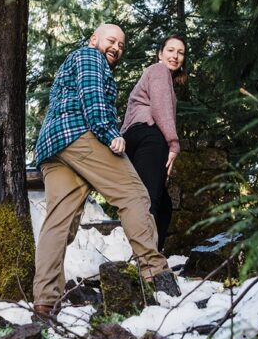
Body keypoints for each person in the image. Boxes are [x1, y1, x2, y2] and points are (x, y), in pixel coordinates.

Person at [32, 23, 181, 319]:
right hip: (81, 135)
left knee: (59, 223)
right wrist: (108, 132)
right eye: (111, 40)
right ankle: (156, 274)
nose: (116, 47)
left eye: (121, 45)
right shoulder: (90, 57)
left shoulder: (74, 61)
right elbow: (92, 97)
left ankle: (45, 302)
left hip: (53, 147)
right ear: (94, 39)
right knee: (134, 194)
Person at [122, 35, 186, 252]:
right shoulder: (159, 71)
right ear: (160, 54)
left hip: (138, 136)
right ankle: (148, 262)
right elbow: (161, 110)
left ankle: (151, 255)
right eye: (170, 50)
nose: (175, 56)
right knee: (151, 200)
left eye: (180, 52)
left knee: (163, 204)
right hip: (149, 135)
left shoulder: (156, 74)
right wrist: (174, 144)